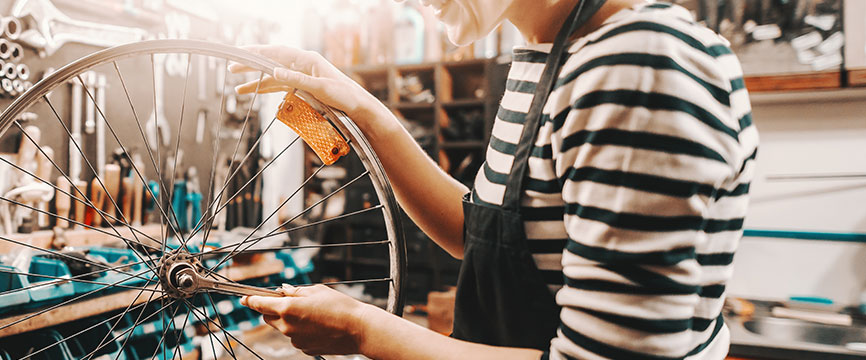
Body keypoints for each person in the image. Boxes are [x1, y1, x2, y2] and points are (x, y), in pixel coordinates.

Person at [229, 0, 758, 358]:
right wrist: (367, 111)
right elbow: (487, 239)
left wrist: (364, 329)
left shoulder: (636, 65)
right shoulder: (551, 52)